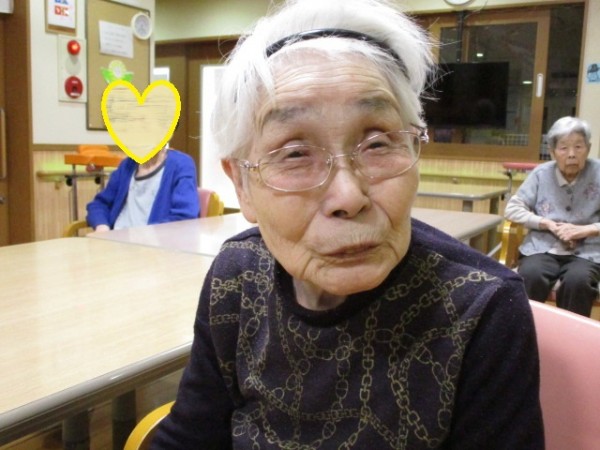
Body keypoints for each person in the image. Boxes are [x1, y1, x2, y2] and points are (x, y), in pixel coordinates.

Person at [152, 0, 544, 448]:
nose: (348, 196)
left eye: (378, 143)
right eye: (295, 154)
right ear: (241, 184)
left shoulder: (482, 308)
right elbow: (190, 436)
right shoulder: (237, 275)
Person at [504, 116, 600, 317]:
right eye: (564, 148)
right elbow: (512, 209)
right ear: (552, 151)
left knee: (578, 281)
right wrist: (546, 223)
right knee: (530, 275)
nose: (571, 154)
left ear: (588, 148)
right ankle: (525, 330)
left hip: (587, 252)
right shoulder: (541, 174)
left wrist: (586, 230)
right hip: (542, 248)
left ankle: (571, 335)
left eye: (578, 147)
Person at [86, 146, 200, 231]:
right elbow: (99, 204)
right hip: (115, 242)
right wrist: (102, 226)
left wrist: (145, 237)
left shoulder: (181, 164)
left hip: (154, 247)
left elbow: (185, 217)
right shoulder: (127, 165)